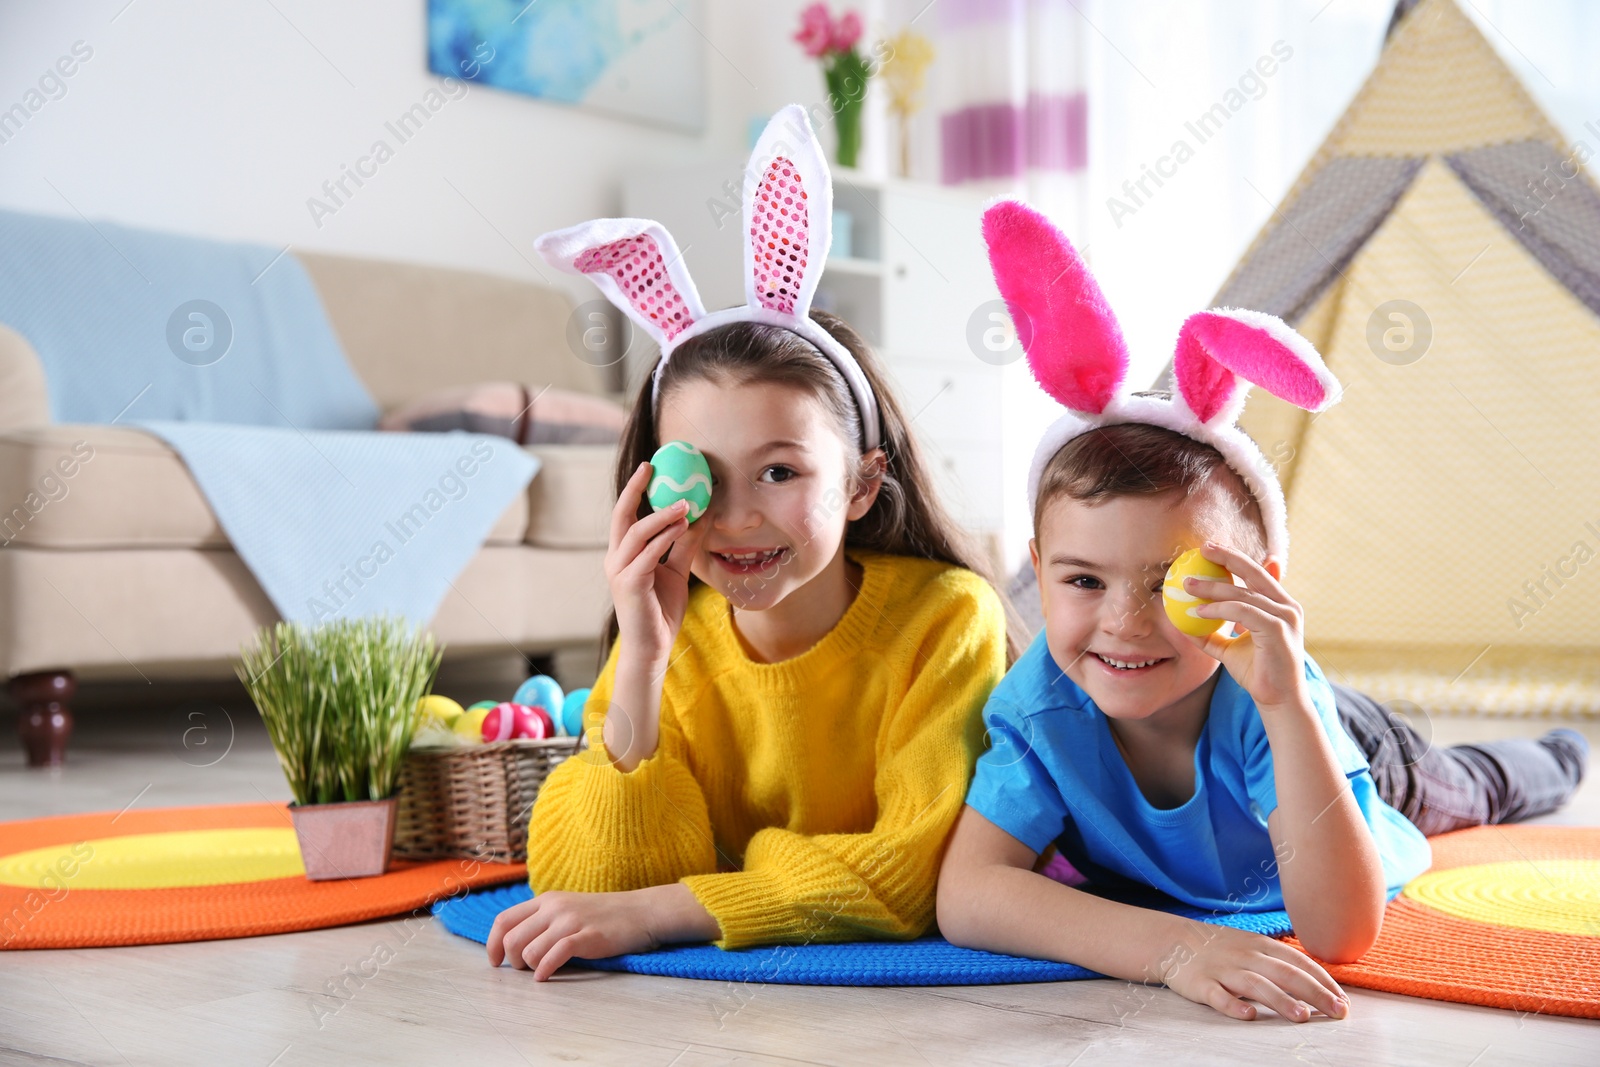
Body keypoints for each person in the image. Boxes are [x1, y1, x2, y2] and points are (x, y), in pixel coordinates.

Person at [936, 200, 1587, 1024]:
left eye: (1171, 581)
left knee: (1460, 788)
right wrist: (1180, 949)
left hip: (1344, 738)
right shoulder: (1037, 705)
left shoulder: (1268, 696)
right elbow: (969, 894)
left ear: (1261, 583)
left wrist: (1283, 702)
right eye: (1084, 582)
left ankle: (1555, 758)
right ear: (1039, 571)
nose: (1125, 623)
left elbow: (1342, 930)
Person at [487, 108, 1016, 980]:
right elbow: (586, 882)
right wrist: (645, 662)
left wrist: (667, 911)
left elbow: (907, 878)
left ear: (861, 482)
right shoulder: (673, 637)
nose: (734, 518)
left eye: (780, 473)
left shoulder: (947, 618)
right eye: (703, 477)